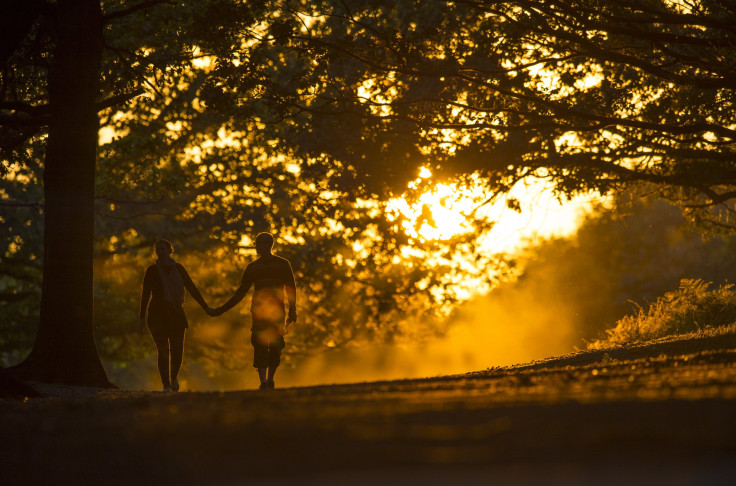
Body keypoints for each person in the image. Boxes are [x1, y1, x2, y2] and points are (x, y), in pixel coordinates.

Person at [209, 232, 297, 390]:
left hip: (277, 311)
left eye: (261, 244)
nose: (258, 247)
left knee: (276, 345)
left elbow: (291, 288)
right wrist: (222, 309)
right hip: (258, 312)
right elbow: (240, 292)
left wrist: (292, 311)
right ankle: (263, 382)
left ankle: (270, 378)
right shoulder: (252, 268)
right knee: (259, 344)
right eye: (257, 244)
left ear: (269, 245)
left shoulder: (283, 264)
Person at [139, 239, 211, 392]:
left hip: (176, 313)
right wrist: (141, 318)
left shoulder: (179, 269)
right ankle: (165, 385)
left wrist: (205, 307)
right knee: (163, 350)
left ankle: (174, 378)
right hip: (157, 314)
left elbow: (191, 288)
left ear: (169, 251)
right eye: (157, 249)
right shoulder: (151, 270)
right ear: (155, 252)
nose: (160, 251)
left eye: (163, 249)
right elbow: (145, 294)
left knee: (177, 350)